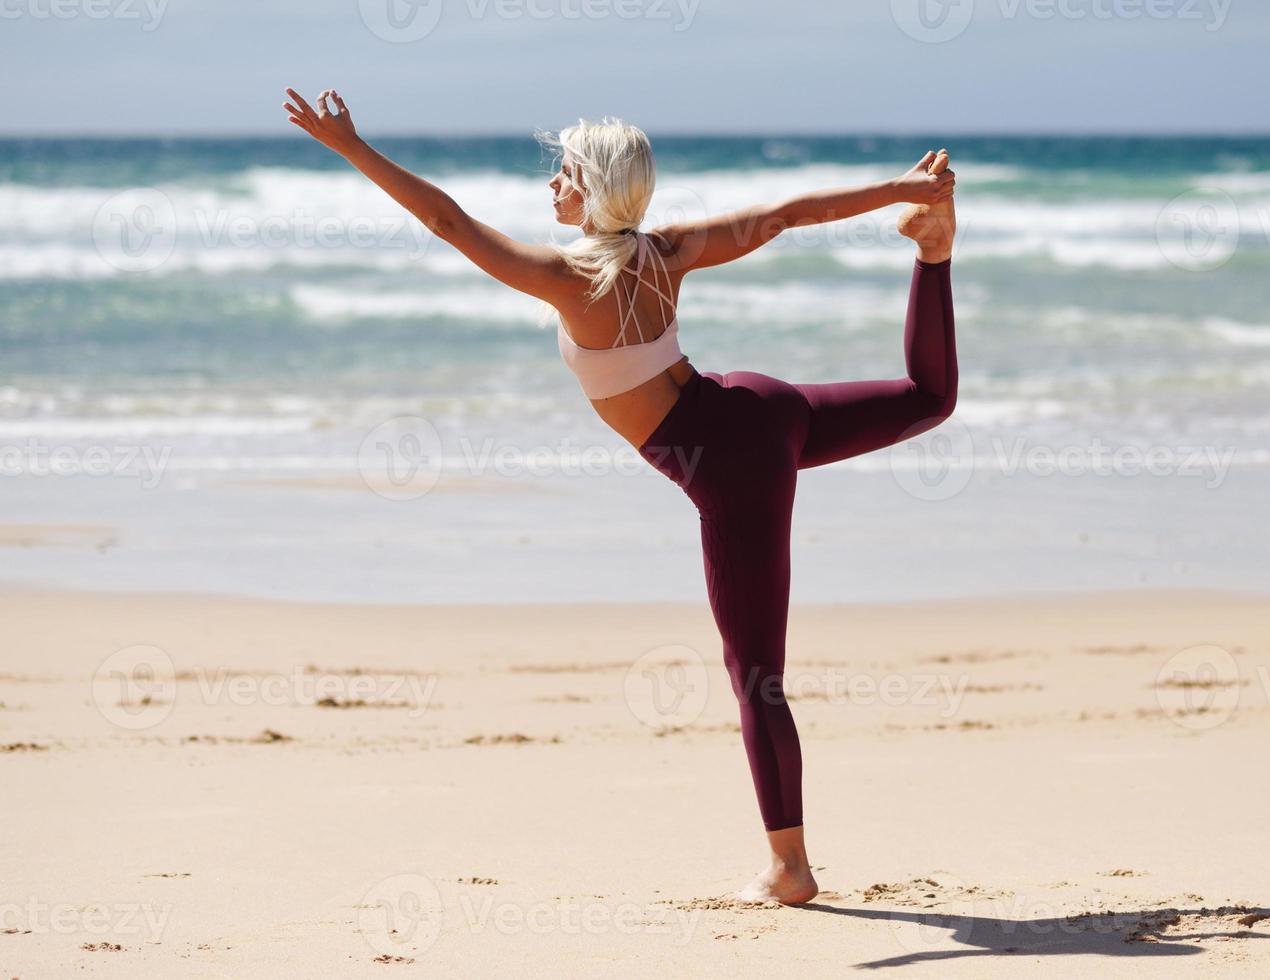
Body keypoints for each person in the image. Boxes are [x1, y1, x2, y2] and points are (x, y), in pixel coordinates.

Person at [282, 88, 958, 905]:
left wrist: (351, 146)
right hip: (757, 411)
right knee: (928, 398)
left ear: (593, 184)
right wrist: (899, 191)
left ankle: (791, 869)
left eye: (563, 172)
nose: (552, 186)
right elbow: (783, 214)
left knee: (756, 678)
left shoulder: (567, 279)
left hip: (733, 464)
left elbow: (449, 223)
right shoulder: (664, 251)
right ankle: (933, 252)